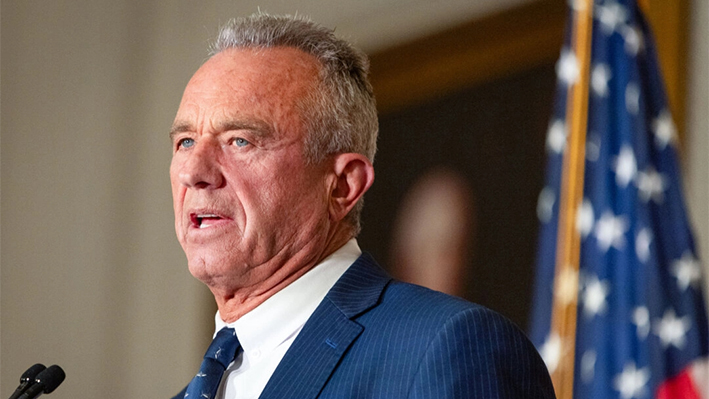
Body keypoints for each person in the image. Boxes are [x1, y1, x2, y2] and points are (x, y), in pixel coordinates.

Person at [169, 13, 555, 399]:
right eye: (185, 141)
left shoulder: (450, 350)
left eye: (240, 141)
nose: (193, 171)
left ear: (342, 185)